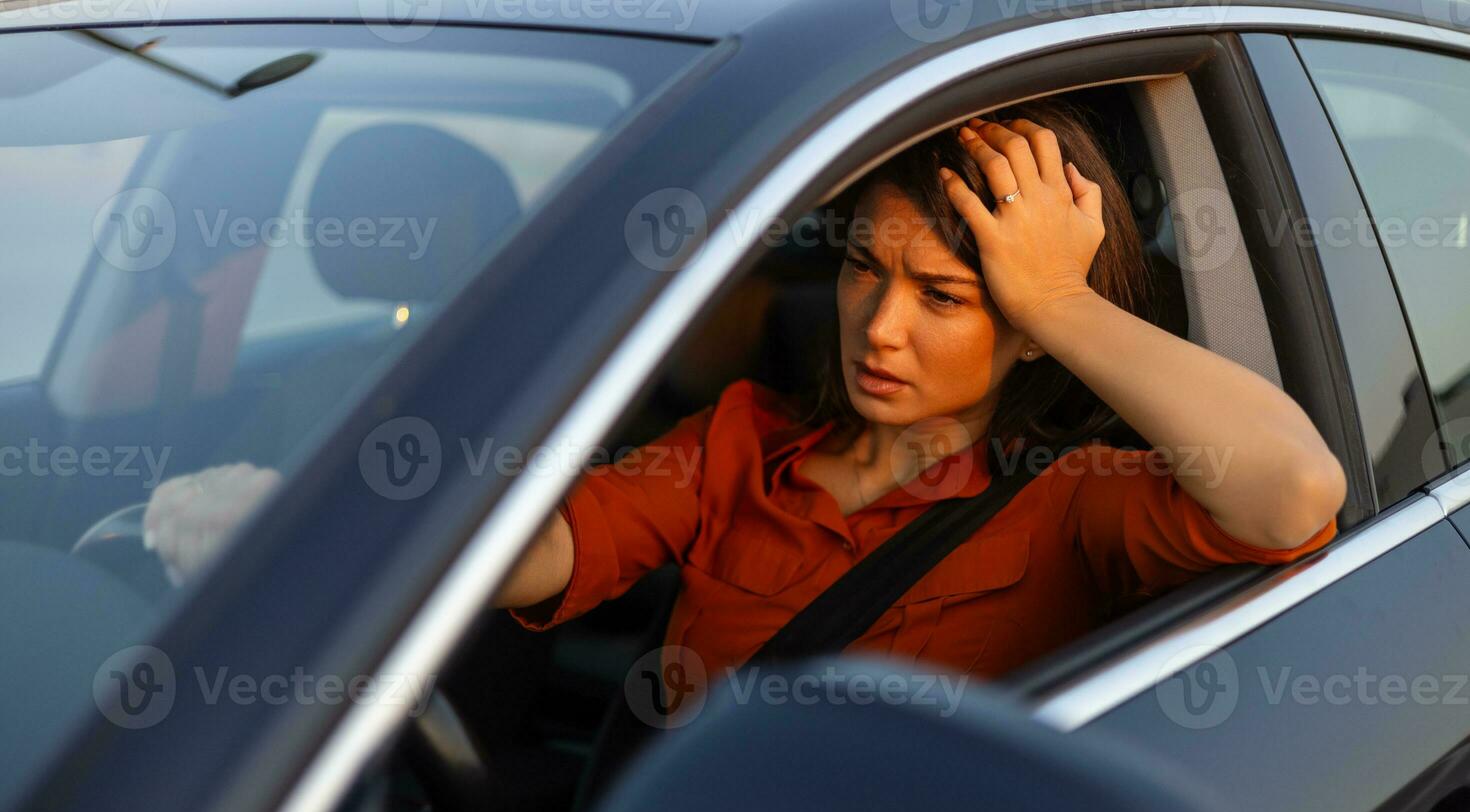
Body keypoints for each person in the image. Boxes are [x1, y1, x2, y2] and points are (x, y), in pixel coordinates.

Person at [146, 99, 1346, 682]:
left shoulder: (1069, 502)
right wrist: (310, 523)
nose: (879, 324)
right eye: (867, 270)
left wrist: (1061, 299)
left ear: (1028, 332)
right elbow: (540, 545)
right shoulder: (740, 442)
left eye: (944, 297)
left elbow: (1293, 489)